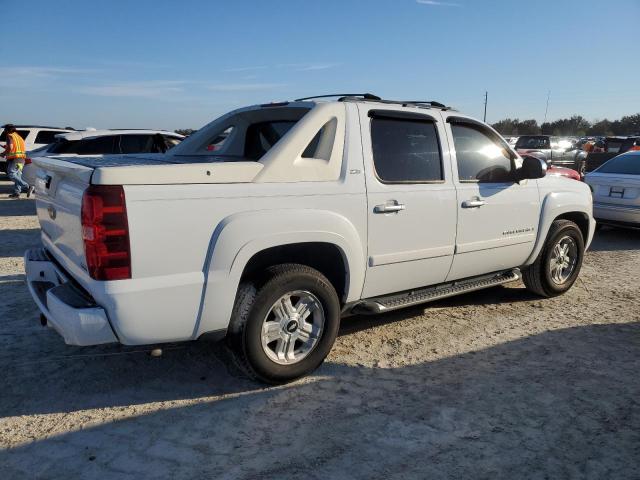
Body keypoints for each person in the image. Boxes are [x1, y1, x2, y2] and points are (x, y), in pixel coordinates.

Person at [1, 124, 34, 198]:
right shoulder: (19, 137)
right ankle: (17, 192)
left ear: (8, 130)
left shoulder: (9, 136)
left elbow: (10, 147)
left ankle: (27, 186)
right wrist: (7, 148)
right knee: (18, 175)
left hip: (15, 158)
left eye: (5, 129)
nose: (4, 131)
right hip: (22, 159)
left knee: (11, 174)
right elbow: (15, 147)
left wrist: (3, 153)